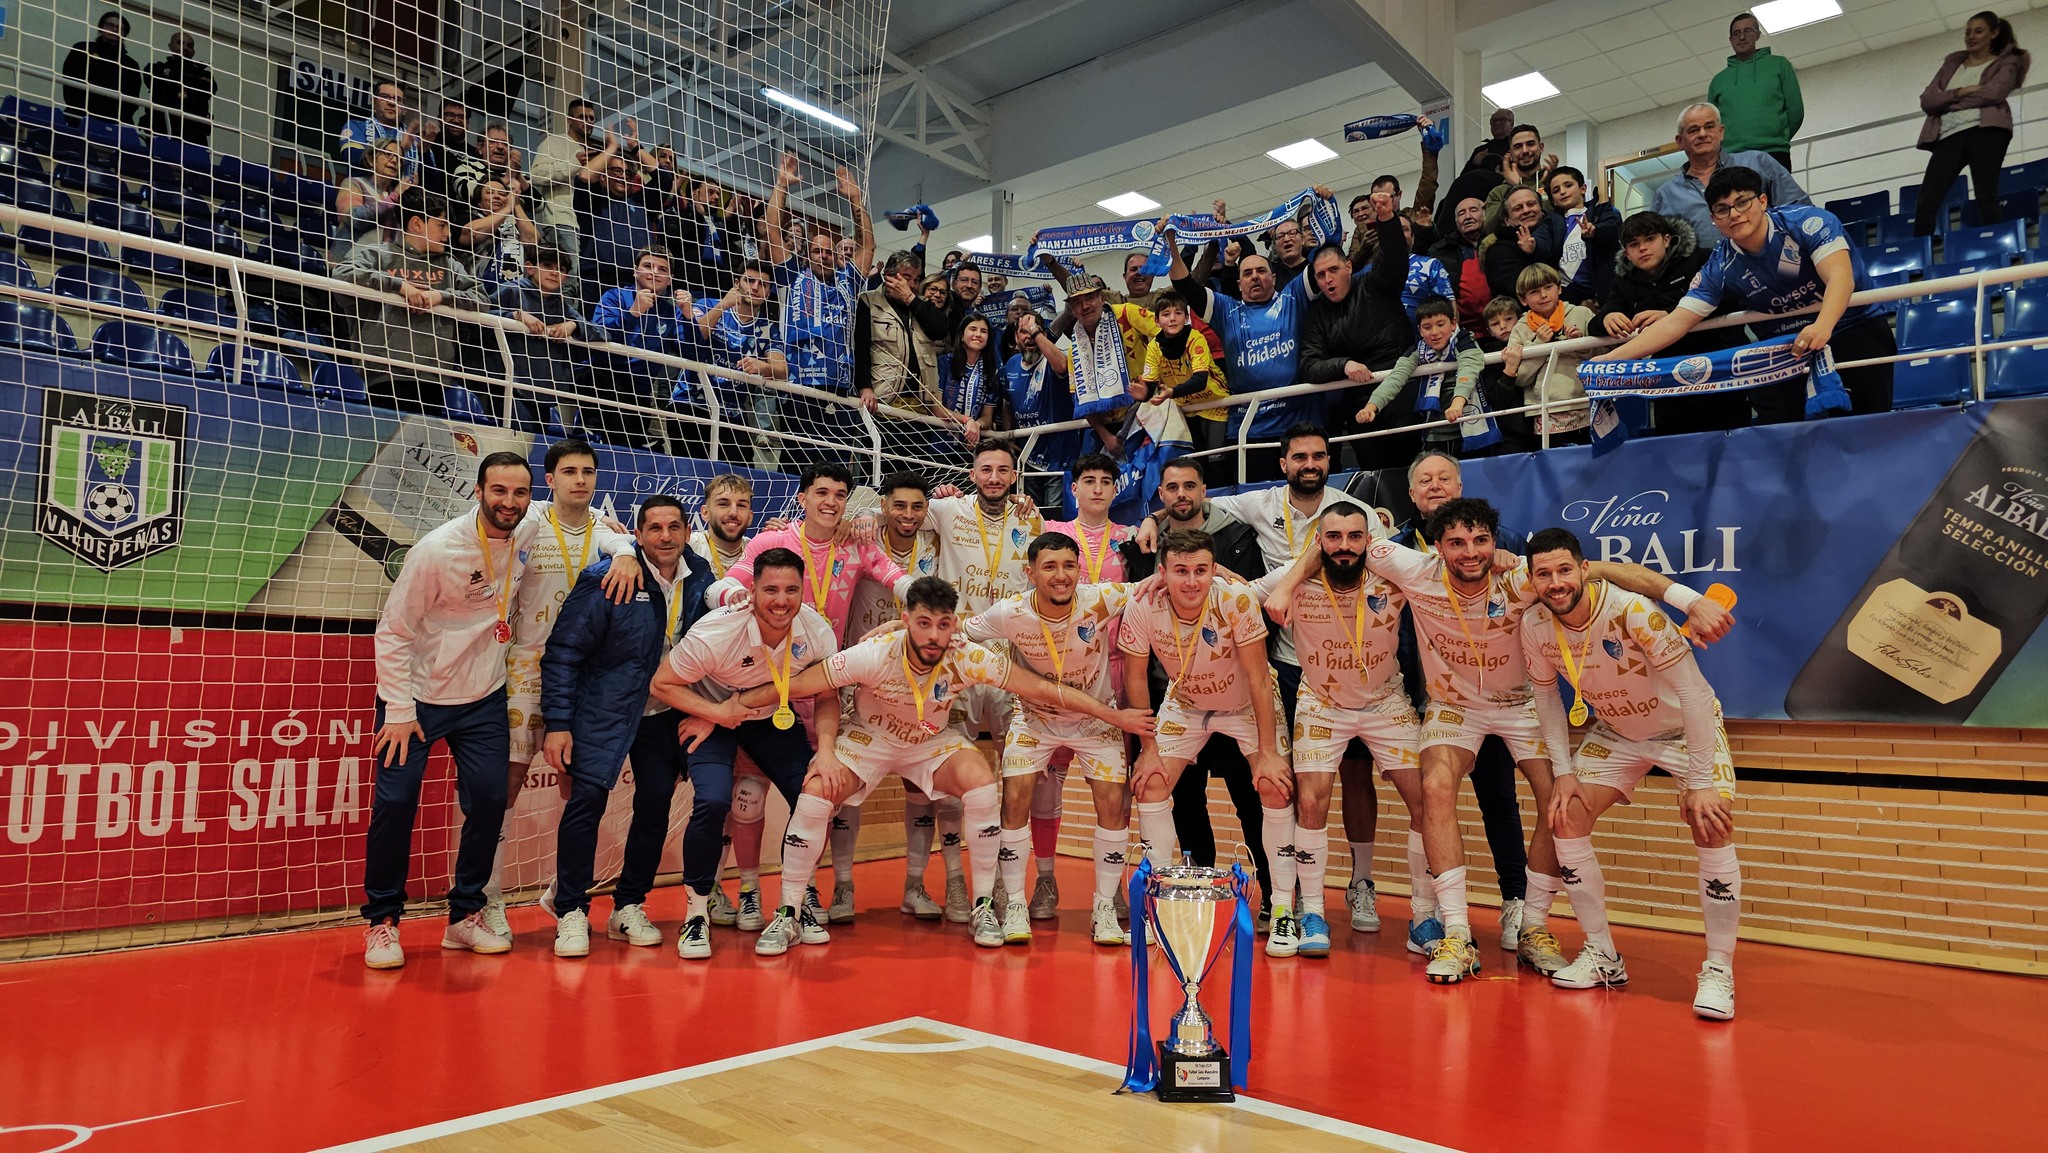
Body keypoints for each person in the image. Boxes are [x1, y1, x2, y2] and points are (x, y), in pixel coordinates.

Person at [1359, 497, 1731, 984]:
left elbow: (1610, 571)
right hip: (1454, 708)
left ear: (1497, 543)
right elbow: (1333, 539)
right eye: (1456, 543)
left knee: (1556, 800)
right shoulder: (1412, 567)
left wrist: (1689, 599)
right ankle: (1456, 933)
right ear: (1438, 548)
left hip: (1522, 705)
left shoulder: (1526, 580)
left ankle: (1533, 927)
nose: (1470, 552)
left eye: (1480, 541)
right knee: (1434, 788)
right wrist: (1258, 583)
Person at [739, 577, 1152, 950]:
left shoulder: (967, 655)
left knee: (981, 782)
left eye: (942, 624)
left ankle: (984, 906)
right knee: (816, 790)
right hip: (870, 739)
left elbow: (1043, 688)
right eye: (923, 624)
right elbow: (794, 685)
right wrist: (720, 709)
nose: (934, 635)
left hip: (928, 741)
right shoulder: (873, 654)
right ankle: (788, 914)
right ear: (906, 620)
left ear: (954, 624)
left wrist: (1113, 716)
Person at [1519, 528, 1742, 1019]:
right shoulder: (1534, 624)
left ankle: (1719, 970)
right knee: (1565, 818)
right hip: (1617, 732)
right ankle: (1603, 955)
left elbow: (1697, 696)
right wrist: (1562, 772)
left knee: (1711, 822)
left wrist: (1701, 782)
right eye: (1543, 574)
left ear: (1583, 569)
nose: (1555, 582)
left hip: (1684, 731)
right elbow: (1545, 699)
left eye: (1564, 570)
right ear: (1531, 580)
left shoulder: (1631, 611)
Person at [360, 452, 539, 969]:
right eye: (499, 491)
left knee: (488, 800)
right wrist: (397, 710)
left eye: (519, 493)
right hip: (415, 700)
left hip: (483, 696)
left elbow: (580, 516)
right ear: (478, 491)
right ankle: (383, 922)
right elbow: (393, 632)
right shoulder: (436, 551)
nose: (509, 502)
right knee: (395, 805)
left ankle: (464, 916)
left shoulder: (527, 527)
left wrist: (619, 545)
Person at [538, 495, 711, 958]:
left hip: (663, 714)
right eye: (654, 528)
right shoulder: (607, 578)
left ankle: (629, 905)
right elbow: (564, 652)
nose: (666, 536)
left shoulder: (701, 579)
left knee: (654, 805)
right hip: (604, 710)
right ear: (637, 535)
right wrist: (558, 722)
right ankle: (571, 909)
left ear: (687, 532)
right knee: (586, 804)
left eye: (674, 527)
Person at [649, 547, 842, 958]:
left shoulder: (815, 629)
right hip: (712, 717)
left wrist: (825, 751)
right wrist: (716, 713)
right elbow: (662, 683)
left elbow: (827, 693)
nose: (781, 600)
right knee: (713, 799)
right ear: (751, 590)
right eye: (770, 589)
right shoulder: (716, 631)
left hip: (772, 718)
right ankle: (696, 913)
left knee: (817, 794)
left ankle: (797, 899)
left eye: (792, 590)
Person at [1250, 504, 1424, 958]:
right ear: (1318, 543)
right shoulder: (1297, 575)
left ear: (1370, 539)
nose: (1343, 546)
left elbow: (1450, 565)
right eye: (1332, 537)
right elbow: (1238, 595)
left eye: (1353, 536)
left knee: (1428, 800)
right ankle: (1310, 911)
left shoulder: (1391, 571)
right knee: (1310, 800)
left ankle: (1423, 914)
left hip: (1386, 700)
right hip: (1322, 703)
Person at [1119, 530, 1297, 954]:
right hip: (1186, 703)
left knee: (1274, 787)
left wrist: (1268, 754)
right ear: (1162, 572)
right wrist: (1148, 751)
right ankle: (1160, 908)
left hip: (1245, 705)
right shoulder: (1142, 603)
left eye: (1201, 570)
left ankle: (1286, 909)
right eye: (1180, 571)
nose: (1191, 581)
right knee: (1151, 782)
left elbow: (1258, 677)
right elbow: (1135, 680)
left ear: (1214, 570)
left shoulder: (1235, 598)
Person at [1603, 166, 1897, 420]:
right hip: (1786, 347)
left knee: (1868, 422)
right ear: (1714, 218)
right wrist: (1610, 360)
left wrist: (1823, 324)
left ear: (1763, 201)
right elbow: (1676, 321)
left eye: (1742, 202)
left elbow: (1840, 278)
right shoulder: (1719, 265)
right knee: (1788, 429)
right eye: (1722, 209)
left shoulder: (1808, 223)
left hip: (1853, 325)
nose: (1734, 214)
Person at [963, 532, 1139, 946]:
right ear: (1030, 572)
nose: (1061, 576)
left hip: (1095, 720)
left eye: (1068, 566)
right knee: (1015, 801)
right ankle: (1017, 903)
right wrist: (902, 628)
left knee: (1113, 804)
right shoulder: (1009, 612)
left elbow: (1157, 584)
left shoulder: (1103, 598)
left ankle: (1104, 909)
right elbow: (960, 633)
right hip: (1034, 718)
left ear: (1079, 569)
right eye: (1049, 566)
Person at [845, 472, 962, 921]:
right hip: (866, 677)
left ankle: (916, 886)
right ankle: (841, 889)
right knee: (847, 789)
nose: (908, 516)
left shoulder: (937, 542)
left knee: (926, 788)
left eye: (917, 507)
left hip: (924, 681)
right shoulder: (860, 535)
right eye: (899, 506)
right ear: (884, 506)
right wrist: (858, 515)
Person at [1162, 224, 1317, 479]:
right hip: (1247, 428)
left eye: (1261, 270)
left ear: (1274, 277)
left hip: (1295, 426)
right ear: (1239, 282)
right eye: (1247, 273)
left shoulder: (1292, 298)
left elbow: (1322, 261)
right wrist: (1170, 241)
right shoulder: (1226, 310)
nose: (1255, 276)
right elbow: (1184, 284)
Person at [709, 463, 915, 645]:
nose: (831, 502)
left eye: (840, 495)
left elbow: (902, 583)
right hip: (769, 666)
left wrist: (928, 606)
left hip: (824, 670)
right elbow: (717, 589)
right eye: (822, 493)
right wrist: (734, 595)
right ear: (802, 499)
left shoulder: (857, 546)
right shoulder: (773, 539)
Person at [334, 193, 492, 416]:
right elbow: (342, 274)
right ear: (417, 223)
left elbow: (483, 299)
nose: (448, 234)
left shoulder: (450, 265)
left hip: (434, 375)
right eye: (442, 225)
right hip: (385, 373)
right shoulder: (375, 254)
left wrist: (441, 296)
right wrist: (399, 286)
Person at [1592, 213, 1747, 436]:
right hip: (1668, 375)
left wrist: (1672, 314)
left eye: (1649, 239)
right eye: (1634, 244)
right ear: (1626, 253)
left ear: (1667, 239)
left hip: (1719, 365)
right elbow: (1599, 320)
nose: (1643, 248)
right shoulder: (1625, 280)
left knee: (1732, 439)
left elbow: (1730, 299)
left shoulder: (1701, 259)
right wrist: (1607, 316)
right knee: (1673, 445)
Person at [765, 152, 874, 451]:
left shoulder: (847, 282)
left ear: (836, 256)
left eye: (828, 252)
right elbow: (773, 230)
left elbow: (868, 244)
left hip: (841, 392)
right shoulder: (792, 277)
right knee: (797, 465)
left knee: (837, 468)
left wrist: (855, 200)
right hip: (800, 388)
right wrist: (782, 186)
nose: (823, 256)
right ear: (807, 255)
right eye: (816, 251)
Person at [1298, 192, 1414, 469]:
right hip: (1357, 397)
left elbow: (1395, 258)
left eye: (1333, 270)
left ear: (1348, 267)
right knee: (1372, 471)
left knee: (1408, 457)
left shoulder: (1374, 283)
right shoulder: (1317, 314)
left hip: (1400, 385)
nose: (1328, 279)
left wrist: (1386, 219)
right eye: (1321, 275)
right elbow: (1309, 365)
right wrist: (1344, 365)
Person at [1914, 12, 2032, 238]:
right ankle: (1920, 248)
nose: (1971, 36)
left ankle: (1995, 242)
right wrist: (1961, 91)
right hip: (1949, 136)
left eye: (1978, 31)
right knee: (1926, 200)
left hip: (1986, 131)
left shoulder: (2008, 60)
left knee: (1985, 193)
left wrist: (1947, 100)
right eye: (1968, 31)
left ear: (1994, 33)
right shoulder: (1953, 62)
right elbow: (1927, 101)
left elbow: (1994, 94)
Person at [1651, 103, 1810, 243]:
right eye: (1693, 130)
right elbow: (1658, 246)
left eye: (1709, 127)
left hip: (1771, 266)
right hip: (1705, 275)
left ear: (1721, 132)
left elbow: (1799, 209)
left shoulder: (1758, 162)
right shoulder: (1665, 195)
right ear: (1680, 141)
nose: (1702, 134)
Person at [589, 247, 701, 446]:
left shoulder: (670, 313)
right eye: (648, 266)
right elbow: (597, 338)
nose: (654, 272)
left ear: (670, 278)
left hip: (640, 392)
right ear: (635, 270)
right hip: (602, 379)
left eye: (662, 269)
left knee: (635, 444)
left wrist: (688, 318)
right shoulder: (614, 296)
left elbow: (694, 354)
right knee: (625, 443)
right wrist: (632, 313)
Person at [1354, 297, 1485, 457]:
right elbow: (1395, 378)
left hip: (1471, 429)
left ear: (1453, 324)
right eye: (1427, 327)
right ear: (1420, 330)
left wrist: (1457, 404)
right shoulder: (1418, 350)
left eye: (1440, 324)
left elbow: (1468, 370)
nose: (1434, 332)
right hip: (1433, 434)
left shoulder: (1466, 341)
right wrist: (1371, 407)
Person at [694, 260, 789, 470]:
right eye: (749, 281)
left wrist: (763, 367)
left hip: (733, 413)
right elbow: (693, 338)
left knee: (744, 477)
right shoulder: (707, 304)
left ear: (768, 292)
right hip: (692, 403)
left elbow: (782, 370)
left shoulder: (768, 329)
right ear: (736, 283)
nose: (755, 288)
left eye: (763, 284)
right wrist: (722, 306)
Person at [1502, 264, 1596, 444]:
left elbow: (1604, 358)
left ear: (1559, 288)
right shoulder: (1520, 329)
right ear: (1523, 299)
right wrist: (1538, 344)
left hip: (1586, 402)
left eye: (1548, 287)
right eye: (1534, 291)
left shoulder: (1582, 314)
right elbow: (1520, 378)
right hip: (1544, 410)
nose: (1543, 295)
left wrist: (1580, 343)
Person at [495, 247, 598, 403]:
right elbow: (480, 313)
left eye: (560, 269)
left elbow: (601, 332)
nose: (554, 272)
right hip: (509, 388)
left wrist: (573, 325)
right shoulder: (513, 290)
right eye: (547, 265)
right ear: (530, 268)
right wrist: (516, 315)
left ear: (565, 277)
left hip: (548, 394)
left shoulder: (563, 307)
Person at [1709, 12, 1805, 170]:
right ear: (1731, 40)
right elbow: (1711, 124)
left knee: (1774, 196)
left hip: (1774, 152)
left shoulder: (1779, 65)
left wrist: (1778, 137)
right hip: (1732, 157)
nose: (1742, 37)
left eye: (1747, 31)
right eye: (1736, 33)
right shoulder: (1718, 81)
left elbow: (1795, 111)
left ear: (1757, 34)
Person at [530, 99, 604, 265]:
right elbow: (536, 174)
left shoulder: (589, 150)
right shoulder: (554, 142)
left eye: (592, 118)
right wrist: (574, 164)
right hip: (563, 222)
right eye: (583, 117)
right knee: (569, 280)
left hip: (587, 225)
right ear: (570, 119)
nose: (589, 122)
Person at [1543, 167, 1620, 308]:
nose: (1562, 191)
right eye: (1556, 190)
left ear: (1583, 188)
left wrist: (1595, 232)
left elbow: (1614, 229)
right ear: (1553, 201)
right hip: (1569, 295)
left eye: (1568, 185)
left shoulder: (1602, 211)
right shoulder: (1551, 223)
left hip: (1604, 291)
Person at [1481, 186, 1565, 301]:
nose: (1526, 211)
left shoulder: (1561, 231)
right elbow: (1527, 289)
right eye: (1518, 208)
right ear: (1506, 220)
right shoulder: (1499, 252)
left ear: (1541, 208)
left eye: (1531, 204)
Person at [62, 11, 143, 125]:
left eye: (120, 28)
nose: (115, 30)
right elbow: (69, 81)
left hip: (115, 123)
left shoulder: (131, 64)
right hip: (79, 116)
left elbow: (132, 99)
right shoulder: (83, 49)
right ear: (100, 28)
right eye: (110, 25)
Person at [1430, 195, 1494, 329]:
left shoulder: (1499, 242)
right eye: (1461, 213)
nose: (1468, 216)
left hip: (1502, 325)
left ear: (1485, 214)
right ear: (1456, 221)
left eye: (1473, 210)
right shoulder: (1441, 251)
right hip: (1463, 332)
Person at [337, 139, 417, 244]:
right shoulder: (353, 184)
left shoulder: (401, 196)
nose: (394, 161)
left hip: (386, 258)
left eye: (400, 159)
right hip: (351, 257)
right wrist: (394, 196)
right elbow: (353, 219)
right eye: (388, 154)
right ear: (371, 159)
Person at [463, 178, 541, 286]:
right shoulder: (468, 216)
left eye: (502, 194)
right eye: (490, 192)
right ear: (479, 202)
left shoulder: (516, 223)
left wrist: (516, 204)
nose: (497, 196)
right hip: (478, 290)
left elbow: (533, 241)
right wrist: (508, 208)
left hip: (514, 291)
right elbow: (472, 234)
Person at [147, 31, 213, 146]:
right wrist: (195, 82)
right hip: (162, 128)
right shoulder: (155, 68)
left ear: (193, 51)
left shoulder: (205, 74)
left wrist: (170, 75)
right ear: (170, 46)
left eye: (189, 45)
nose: (185, 48)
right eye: (180, 43)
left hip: (196, 134)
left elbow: (210, 89)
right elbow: (155, 80)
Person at [337, 78, 413, 175]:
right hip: (362, 188)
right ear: (373, 102)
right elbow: (351, 155)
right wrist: (401, 150)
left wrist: (425, 152)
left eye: (398, 100)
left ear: (404, 109)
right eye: (385, 97)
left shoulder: (413, 140)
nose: (391, 103)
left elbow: (433, 183)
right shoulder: (357, 126)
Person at [1463, 107, 1518, 174]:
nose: (1497, 123)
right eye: (1494, 120)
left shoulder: (1517, 146)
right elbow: (1463, 176)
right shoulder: (1480, 150)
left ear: (1511, 124)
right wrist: (1473, 162)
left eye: (1502, 120)